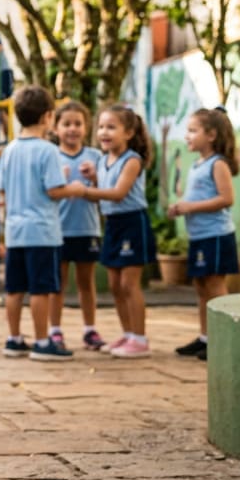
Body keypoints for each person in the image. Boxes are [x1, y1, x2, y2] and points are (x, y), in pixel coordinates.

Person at [0, 86, 87, 361]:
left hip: (15, 230)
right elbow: (54, 190)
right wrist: (75, 188)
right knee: (41, 288)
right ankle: (42, 341)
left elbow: (2, 190)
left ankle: (14, 338)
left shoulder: (9, 150)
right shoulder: (48, 151)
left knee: (14, 288)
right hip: (42, 231)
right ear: (48, 116)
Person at [79, 104, 155, 358]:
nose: (104, 132)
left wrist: (86, 191)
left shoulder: (132, 160)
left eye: (111, 127)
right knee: (114, 284)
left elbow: (119, 193)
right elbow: (107, 185)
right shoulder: (103, 160)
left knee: (128, 283)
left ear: (129, 133)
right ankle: (128, 333)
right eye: (101, 127)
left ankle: (140, 339)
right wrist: (93, 178)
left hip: (132, 223)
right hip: (112, 223)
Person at [167, 108, 240, 361]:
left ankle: (225, 340)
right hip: (199, 236)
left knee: (215, 286)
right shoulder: (197, 164)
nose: (186, 136)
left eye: (192, 130)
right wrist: (180, 207)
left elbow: (227, 198)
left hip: (216, 236)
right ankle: (206, 337)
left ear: (211, 135)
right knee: (200, 286)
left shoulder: (218, 163)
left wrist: (191, 207)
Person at [49, 101, 105, 351]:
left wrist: (95, 178)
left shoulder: (96, 157)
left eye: (78, 124)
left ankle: (89, 329)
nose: (72, 129)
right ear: (56, 128)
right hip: (57, 230)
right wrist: (59, 181)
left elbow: (105, 193)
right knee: (57, 283)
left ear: (86, 127)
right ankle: (54, 330)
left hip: (87, 229)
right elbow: (45, 192)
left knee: (86, 281)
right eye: (67, 124)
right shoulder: (51, 156)